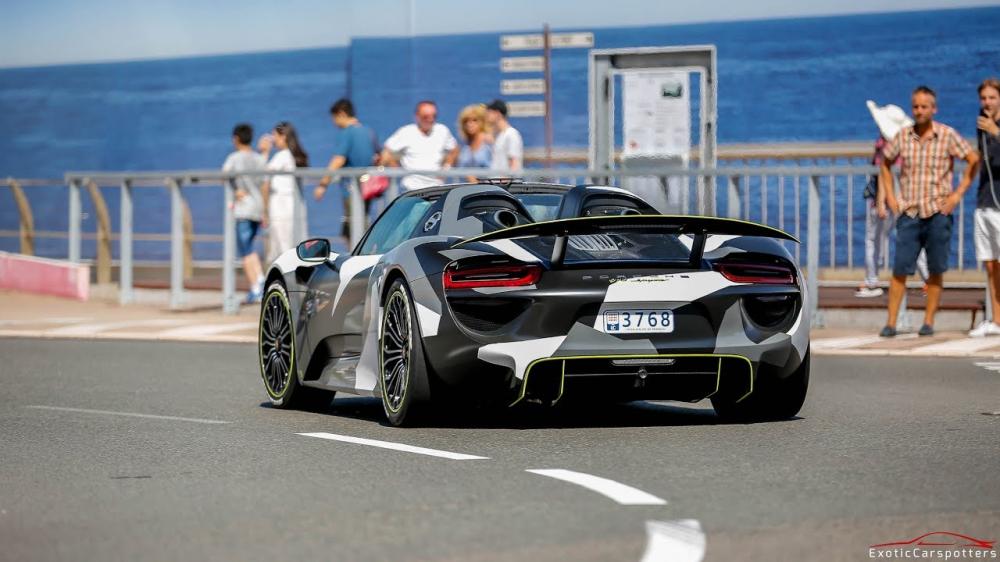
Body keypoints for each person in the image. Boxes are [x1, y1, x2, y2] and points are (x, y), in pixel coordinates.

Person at [879, 86, 979, 337]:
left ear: (933, 109)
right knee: (900, 268)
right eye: (916, 106)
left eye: (924, 106)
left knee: (936, 269)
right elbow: (885, 163)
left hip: (938, 210)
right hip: (910, 212)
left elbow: (973, 159)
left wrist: (957, 195)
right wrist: (891, 197)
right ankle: (891, 322)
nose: (919, 111)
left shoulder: (947, 135)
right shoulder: (903, 136)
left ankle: (929, 321)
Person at [857, 102, 929, 297]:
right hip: (904, 197)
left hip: (887, 199)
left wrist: (880, 201)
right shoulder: (906, 143)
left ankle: (872, 281)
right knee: (912, 238)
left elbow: (883, 174)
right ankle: (929, 279)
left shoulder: (884, 145)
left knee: (874, 240)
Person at [314, 98, 381, 243]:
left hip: (351, 189)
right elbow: (379, 156)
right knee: (359, 223)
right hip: (368, 188)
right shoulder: (369, 132)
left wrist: (322, 184)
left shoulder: (347, 133)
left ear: (342, 114)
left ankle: (360, 260)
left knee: (354, 228)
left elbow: (338, 160)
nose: (334, 122)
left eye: (334, 118)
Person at [969, 78, 1000, 337]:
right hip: (985, 201)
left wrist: (996, 132)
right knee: (990, 264)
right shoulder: (981, 125)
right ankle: (995, 319)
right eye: (984, 98)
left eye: (992, 97)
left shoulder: (992, 127)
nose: (987, 103)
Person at [222, 123, 267, 303]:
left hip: (243, 209)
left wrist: (235, 190)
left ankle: (256, 286)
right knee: (251, 247)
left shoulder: (234, 158)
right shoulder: (258, 159)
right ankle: (261, 280)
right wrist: (265, 210)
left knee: (245, 250)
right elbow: (264, 183)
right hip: (257, 207)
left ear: (236, 139)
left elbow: (223, 175)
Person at [259, 121, 309, 263]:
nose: (273, 140)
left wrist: (264, 153)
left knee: (282, 249)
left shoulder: (281, 157)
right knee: (295, 247)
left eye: (274, 136)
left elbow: (263, 179)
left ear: (283, 137)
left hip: (280, 209)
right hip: (295, 208)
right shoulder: (295, 157)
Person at [381, 100, 459, 190]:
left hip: (436, 188)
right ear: (417, 116)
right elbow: (387, 151)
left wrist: (446, 168)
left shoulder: (442, 130)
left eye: (434, 116)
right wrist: (396, 169)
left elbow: (455, 149)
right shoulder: (406, 132)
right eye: (426, 116)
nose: (430, 119)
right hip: (411, 189)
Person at [455, 104, 492, 181]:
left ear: (482, 122)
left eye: (474, 120)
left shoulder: (488, 141)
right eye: (466, 121)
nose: (469, 124)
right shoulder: (464, 145)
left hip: (488, 188)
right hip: (466, 189)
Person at [485, 99, 524, 173]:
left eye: (489, 112)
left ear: (498, 113)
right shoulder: (499, 136)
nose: (487, 115)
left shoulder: (511, 134)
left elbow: (514, 162)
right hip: (497, 182)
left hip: (505, 183)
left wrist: (506, 180)